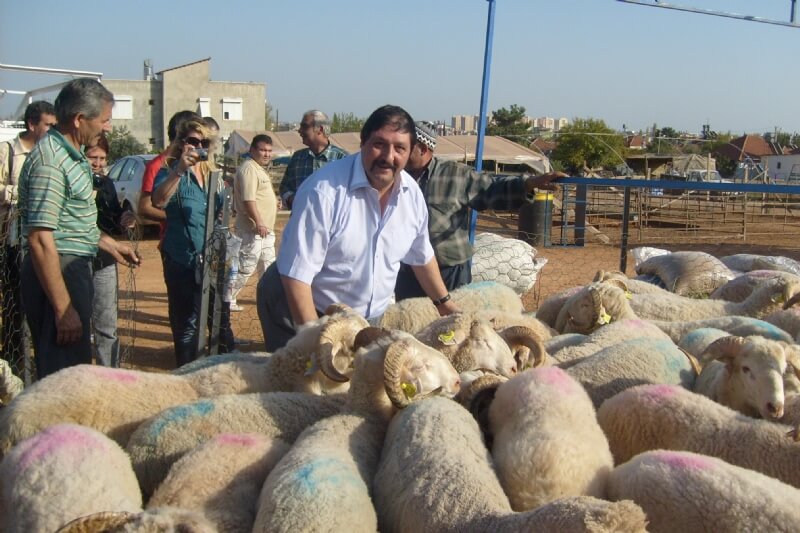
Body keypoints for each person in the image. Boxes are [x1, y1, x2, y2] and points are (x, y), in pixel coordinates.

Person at [258, 105, 457, 351]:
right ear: (363, 142)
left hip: (364, 318)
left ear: (410, 152)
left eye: (399, 148)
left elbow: (421, 255)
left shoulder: (411, 195)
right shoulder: (323, 192)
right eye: (379, 144)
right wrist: (316, 345)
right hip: (299, 304)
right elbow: (296, 276)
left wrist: (444, 304)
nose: (388, 157)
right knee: (300, 371)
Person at [17, 78, 140, 379]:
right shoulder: (51, 163)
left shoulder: (72, 156)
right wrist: (63, 308)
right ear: (79, 119)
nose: (107, 127)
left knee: (73, 369)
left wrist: (110, 243)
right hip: (59, 270)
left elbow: (71, 221)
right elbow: (40, 239)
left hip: (71, 266)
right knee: (64, 379)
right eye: (104, 120)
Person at [394, 121, 565, 301]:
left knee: (453, 315)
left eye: (403, 147)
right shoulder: (395, 177)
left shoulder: (455, 175)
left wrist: (529, 183)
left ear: (422, 149)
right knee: (410, 316)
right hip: (408, 271)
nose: (397, 153)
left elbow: (492, 188)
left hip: (450, 270)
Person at [152, 118, 234, 366]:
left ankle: (225, 374)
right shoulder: (170, 171)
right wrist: (179, 169)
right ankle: (188, 376)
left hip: (213, 259)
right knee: (188, 326)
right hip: (182, 259)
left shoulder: (213, 174)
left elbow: (223, 212)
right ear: (181, 142)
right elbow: (158, 201)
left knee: (220, 321)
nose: (199, 147)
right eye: (193, 141)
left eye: (204, 142)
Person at [0, 101, 56, 370]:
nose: (52, 130)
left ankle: (37, 360)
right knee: (14, 303)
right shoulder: (8, 152)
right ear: (32, 125)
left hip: (41, 241)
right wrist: (21, 193)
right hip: (10, 241)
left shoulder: (51, 154)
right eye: (48, 125)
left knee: (41, 301)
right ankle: (15, 363)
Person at [87, 133, 136, 367]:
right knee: (77, 325)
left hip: (105, 260)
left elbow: (114, 218)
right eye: (92, 157)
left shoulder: (106, 183)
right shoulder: (72, 182)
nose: (98, 163)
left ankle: (109, 376)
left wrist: (125, 218)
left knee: (107, 326)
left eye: (102, 158)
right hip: (75, 260)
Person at [225, 134, 278, 312]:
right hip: (253, 230)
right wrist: (259, 222)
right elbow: (249, 200)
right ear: (252, 150)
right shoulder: (249, 169)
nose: (266, 154)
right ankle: (227, 299)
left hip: (265, 230)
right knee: (246, 267)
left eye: (269, 151)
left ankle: (268, 301)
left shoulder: (258, 168)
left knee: (268, 268)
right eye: (262, 150)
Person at [137, 110, 201, 237]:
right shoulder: (157, 165)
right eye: (193, 139)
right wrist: (180, 217)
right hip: (174, 239)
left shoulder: (198, 163)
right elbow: (144, 207)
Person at [278, 110, 347, 210]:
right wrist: (291, 198)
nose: (299, 131)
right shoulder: (297, 158)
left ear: (320, 129)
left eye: (304, 126)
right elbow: (284, 187)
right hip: (301, 217)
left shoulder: (342, 159)